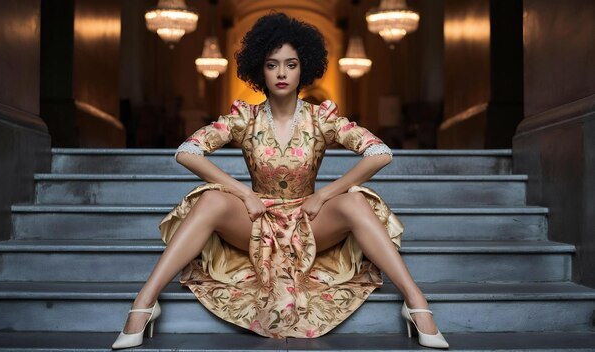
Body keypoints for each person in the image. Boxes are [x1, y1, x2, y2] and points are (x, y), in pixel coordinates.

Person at [111, 12, 449, 350]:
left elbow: (380, 152)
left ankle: (416, 304)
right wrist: (243, 193)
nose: (282, 73)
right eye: (273, 65)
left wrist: (325, 194)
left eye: (291, 64)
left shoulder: (322, 118)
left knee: (356, 200)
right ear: (261, 69)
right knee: (211, 199)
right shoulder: (245, 117)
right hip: (256, 222)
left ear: (304, 68)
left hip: (311, 222)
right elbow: (187, 151)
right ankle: (144, 304)